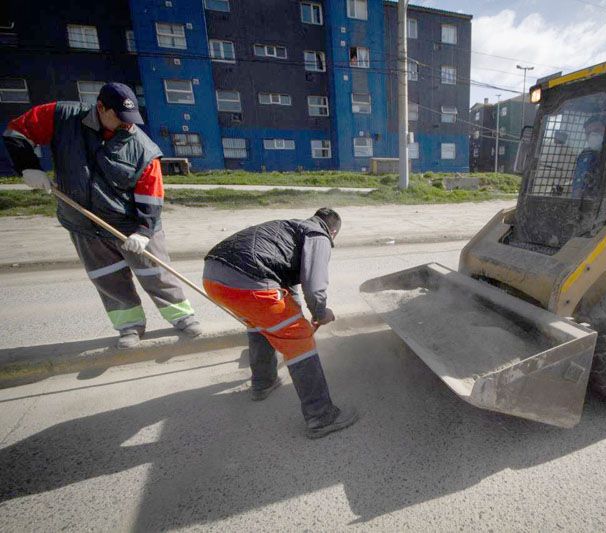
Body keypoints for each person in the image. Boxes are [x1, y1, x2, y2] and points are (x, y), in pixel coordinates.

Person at [2, 82, 201, 348]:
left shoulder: (143, 148)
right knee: (108, 277)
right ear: (101, 107)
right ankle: (130, 326)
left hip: (131, 223)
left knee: (155, 272)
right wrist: (28, 166)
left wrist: (143, 232)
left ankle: (183, 317)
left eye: (131, 120)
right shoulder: (62, 117)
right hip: (84, 224)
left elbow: (151, 196)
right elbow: (16, 131)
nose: (126, 125)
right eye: (119, 118)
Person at [202, 208, 358, 439]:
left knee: (260, 322)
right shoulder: (318, 236)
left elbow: (288, 288)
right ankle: (321, 417)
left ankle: (263, 382)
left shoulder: (290, 229)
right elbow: (315, 286)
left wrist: (304, 313)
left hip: (214, 278)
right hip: (250, 281)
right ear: (333, 232)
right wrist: (321, 312)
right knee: (299, 339)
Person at [572, 114, 606, 198]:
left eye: (597, 130)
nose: (592, 135)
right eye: (588, 133)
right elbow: (578, 186)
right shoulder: (584, 156)